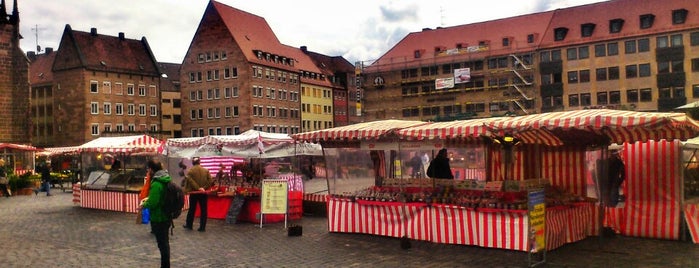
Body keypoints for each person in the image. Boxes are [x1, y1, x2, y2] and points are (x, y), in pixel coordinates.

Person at [140, 158, 172, 268]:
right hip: (166, 216)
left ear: (152, 170)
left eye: (148, 169)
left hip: (159, 217)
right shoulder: (165, 179)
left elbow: (153, 202)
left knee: (162, 244)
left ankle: (165, 266)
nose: (148, 171)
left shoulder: (157, 184)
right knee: (165, 243)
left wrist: (143, 205)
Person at [182, 157, 213, 232]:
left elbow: (190, 181)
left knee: (192, 209)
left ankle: (189, 225)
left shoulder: (190, 171)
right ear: (199, 162)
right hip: (203, 193)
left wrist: (198, 188)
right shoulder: (206, 170)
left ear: (193, 163)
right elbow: (210, 181)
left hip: (194, 193)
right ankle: (202, 227)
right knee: (204, 210)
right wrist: (203, 188)